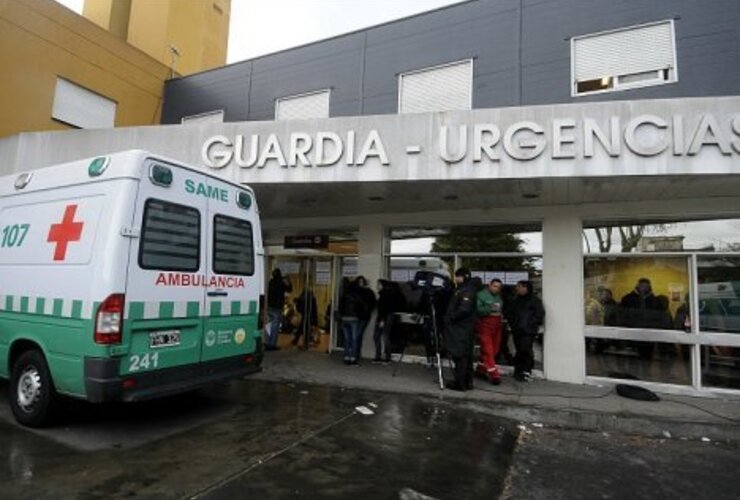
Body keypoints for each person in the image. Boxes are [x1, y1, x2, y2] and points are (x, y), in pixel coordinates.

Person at [444, 267, 478, 391]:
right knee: (464, 356)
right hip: (462, 328)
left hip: (461, 329)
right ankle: (466, 382)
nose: (456, 279)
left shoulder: (467, 290)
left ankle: (460, 384)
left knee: (461, 357)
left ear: (464, 277)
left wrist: (450, 318)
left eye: (458, 276)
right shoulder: (462, 289)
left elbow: (464, 309)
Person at [508, 280, 545, 382]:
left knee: (525, 350)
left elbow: (539, 314)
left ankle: (526, 371)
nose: (517, 288)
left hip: (528, 331)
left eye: (519, 287)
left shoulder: (534, 300)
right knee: (519, 350)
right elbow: (511, 314)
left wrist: (531, 324)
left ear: (525, 288)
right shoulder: (515, 300)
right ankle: (518, 371)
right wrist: (513, 325)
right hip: (517, 330)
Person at [475, 278, 504, 385]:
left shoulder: (498, 296)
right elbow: (478, 310)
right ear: (489, 285)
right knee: (488, 349)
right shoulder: (480, 295)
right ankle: (494, 374)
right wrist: (490, 307)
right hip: (485, 325)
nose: (497, 289)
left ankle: (480, 369)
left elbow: (500, 309)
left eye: (499, 287)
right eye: (495, 286)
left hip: (497, 325)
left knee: (495, 349)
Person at [373, 279, 405, 363]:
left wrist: (382, 320)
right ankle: (383, 356)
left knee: (382, 336)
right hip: (385, 317)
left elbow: (384, 308)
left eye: (379, 284)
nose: (377, 286)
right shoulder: (385, 294)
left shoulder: (385, 295)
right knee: (382, 336)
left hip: (384, 317)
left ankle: (383, 356)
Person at [338, 279, 366, 365]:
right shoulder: (357, 295)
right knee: (354, 339)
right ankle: (353, 358)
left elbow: (340, 307)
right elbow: (362, 306)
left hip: (344, 319)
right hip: (353, 319)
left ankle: (346, 357)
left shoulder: (344, 295)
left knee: (347, 339)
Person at [266, 268, 292, 351]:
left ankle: (267, 342)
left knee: (268, 326)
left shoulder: (271, 282)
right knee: (275, 327)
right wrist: (288, 280)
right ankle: (272, 345)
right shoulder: (281, 282)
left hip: (269, 307)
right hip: (277, 308)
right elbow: (290, 289)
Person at [355, 276, 377, 359]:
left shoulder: (367, 292)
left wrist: (367, 309)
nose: (360, 283)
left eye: (362, 281)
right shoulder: (367, 292)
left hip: (363, 316)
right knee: (358, 335)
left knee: (357, 334)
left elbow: (373, 303)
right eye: (359, 281)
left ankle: (356, 353)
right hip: (359, 315)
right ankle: (356, 352)